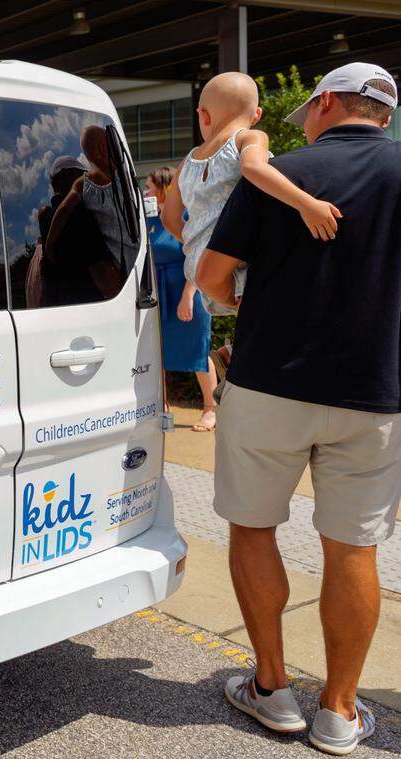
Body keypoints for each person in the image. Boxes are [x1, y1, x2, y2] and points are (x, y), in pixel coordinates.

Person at [196, 63, 399, 755]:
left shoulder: (281, 170)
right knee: (353, 546)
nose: (303, 122)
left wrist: (250, 306)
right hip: (372, 391)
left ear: (331, 102)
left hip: (266, 385)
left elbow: (212, 276)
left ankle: (272, 686)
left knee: (253, 528)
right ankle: (339, 710)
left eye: (308, 109)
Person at [163, 72, 342, 376]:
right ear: (257, 115)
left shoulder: (189, 160)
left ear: (203, 115)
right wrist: (306, 204)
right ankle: (238, 354)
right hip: (236, 260)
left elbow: (169, 217)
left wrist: (195, 242)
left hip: (199, 262)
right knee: (277, 306)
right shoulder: (249, 137)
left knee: (248, 314)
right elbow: (252, 167)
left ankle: (232, 352)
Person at [145, 167, 217, 431]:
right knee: (158, 352)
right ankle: (161, 407)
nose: (146, 191)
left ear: (164, 187)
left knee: (198, 349)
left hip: (189, 289)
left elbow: (197, 257)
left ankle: (210, 409)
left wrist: (188, 295)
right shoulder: (149, 220)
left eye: (149, 186)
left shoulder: (186, 216)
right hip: (159, 292)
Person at [35, 155, 121, 307]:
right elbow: (105, 281)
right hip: (86, 310)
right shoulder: (80, 214)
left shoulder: (44, 219)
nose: (87, 182)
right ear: (67, 175)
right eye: (82, 176)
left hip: (53, 312)